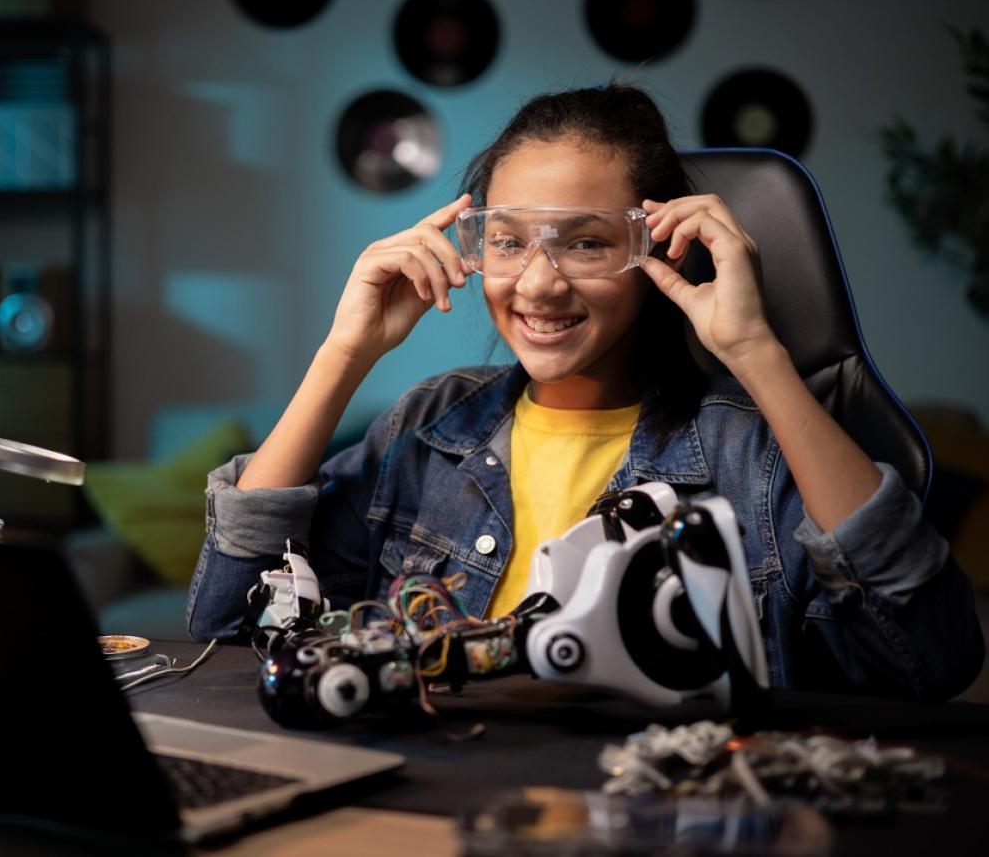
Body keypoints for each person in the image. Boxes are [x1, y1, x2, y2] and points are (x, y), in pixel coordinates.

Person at [187, 84, 983, 699]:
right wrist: (344, 351)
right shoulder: (430, 427)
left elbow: (930, 657)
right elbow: (229, 627)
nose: (538, 282)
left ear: (657, 250)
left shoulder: (748, 451)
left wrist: (755, 351)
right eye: (507, 241)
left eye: (588, 243)